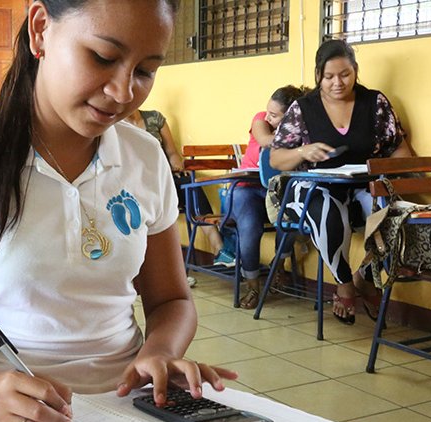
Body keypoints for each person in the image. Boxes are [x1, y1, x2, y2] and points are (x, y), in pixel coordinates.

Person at [0, 0, 238, 422]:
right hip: (6, 421)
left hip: (133, 414)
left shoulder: (143, 156)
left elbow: (172, 300)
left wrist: (160, 352)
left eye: (146, 70)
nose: (123, 91)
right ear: (40, 29)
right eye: (103, 58)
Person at [269, 40, 413, 324]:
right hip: (314, 187)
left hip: (363, 184)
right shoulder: (303, 108)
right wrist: (301, 151)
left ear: (356, 71)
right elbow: (276, 159)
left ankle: (364, 276)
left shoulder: (374, 102)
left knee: (397, 215)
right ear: (318, 75)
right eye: (329, 76)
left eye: (345, 74)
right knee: (327, 211)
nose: (338, 82)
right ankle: (345, 282)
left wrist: (388, 169)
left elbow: (400, 149)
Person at [125, 109, 235, 279]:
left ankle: (220, 250)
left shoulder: (155, 118)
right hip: (136, 183)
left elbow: (172, 153)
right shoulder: (114, 125)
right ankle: (162, 271)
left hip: (164, 178)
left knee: (189, 184)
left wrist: (177, 166)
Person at [230, 85, 306, 309]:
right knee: (250, 227)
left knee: (289, 217)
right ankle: (252, 285)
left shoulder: (299, 127)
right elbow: (264, 140)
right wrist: (297, 140)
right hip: (247, 187)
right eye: (268, 112)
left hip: (278, 189)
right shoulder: (260, 119)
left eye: (275, 115)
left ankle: (278, 264)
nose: (268, 117)